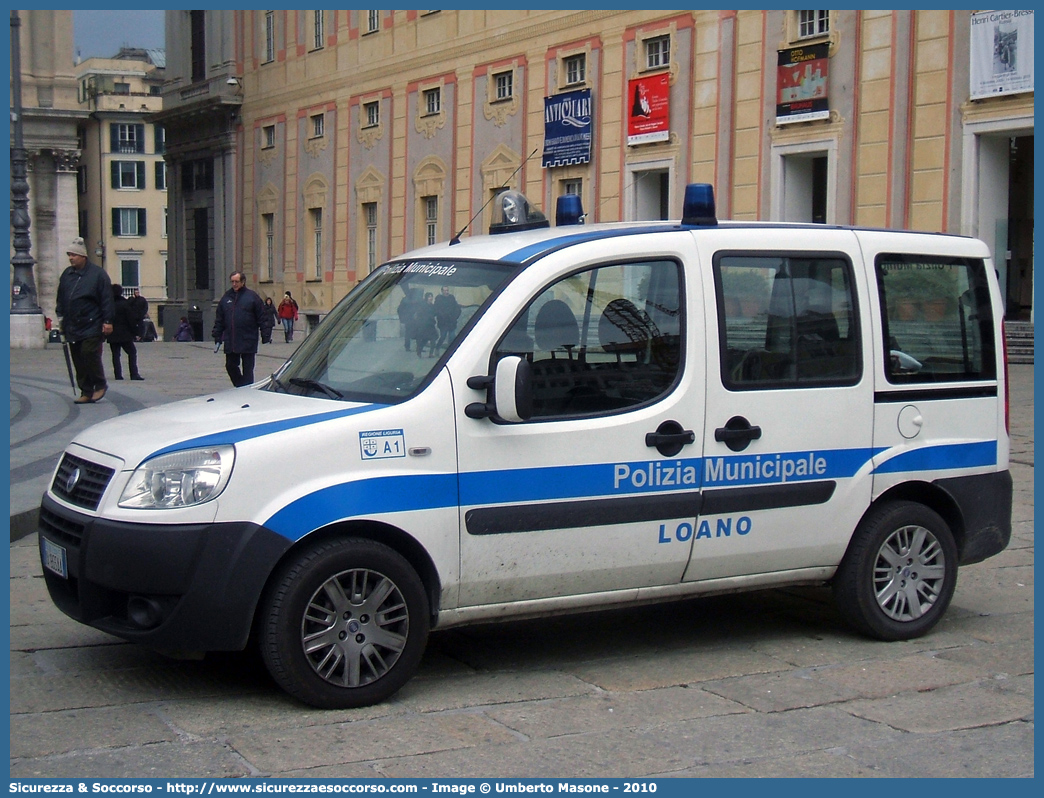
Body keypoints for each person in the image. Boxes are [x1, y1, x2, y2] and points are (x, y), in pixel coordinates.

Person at [55, 237, 114, 403]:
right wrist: (60, 315)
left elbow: (106, 299)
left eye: (74, 254)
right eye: (69, 254)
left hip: (92, 322)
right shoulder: (67, 274)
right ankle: (86, 391)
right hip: (72, 324)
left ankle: (99, 384)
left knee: (88, 352)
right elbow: (61, 296)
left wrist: (108, 320)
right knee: (78, 358)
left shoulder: (98, 275)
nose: (71, 258)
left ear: (83, 256)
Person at [212, 271, 265, 387]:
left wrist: (265, 333)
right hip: (232, 339)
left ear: (243, 282)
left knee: (248, 369)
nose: (234, 284)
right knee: (230, 365)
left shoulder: (252, 297)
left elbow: (262, 316)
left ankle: (246, 389)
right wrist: (217, 335)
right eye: (232, 282)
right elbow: (220, 318)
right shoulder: (226, 297)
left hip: (248, 339)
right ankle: (241, 386)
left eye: (237, 282)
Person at [107, 284, 143, 380]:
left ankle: (118, 375)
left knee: (115, 355)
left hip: (112, 333)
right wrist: (136, 332)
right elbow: (131, 320)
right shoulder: (125, 304)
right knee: (132, 352)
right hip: (124, 333)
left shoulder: (108, 305)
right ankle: (133, 373)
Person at [433, 285, 461, 354]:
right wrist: (442, 316)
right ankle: (437, 348)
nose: (446, 292)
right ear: (442, 291)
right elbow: (436, 309)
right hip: (443, 322)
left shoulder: (451, 298)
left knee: (452, 337)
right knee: (443, 336)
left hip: (452, 321)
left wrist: (455, 316)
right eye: (445, 290)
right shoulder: (439, 298)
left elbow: (457, 308)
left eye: (447, 290)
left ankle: (450, 351)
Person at [411, 292, 438, 358]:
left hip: (431, 325)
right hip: (424, 326)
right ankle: (419, 351)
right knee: (424, 340)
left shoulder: (432, 306)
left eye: (431, 296)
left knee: (433, 339)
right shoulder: (423, 306)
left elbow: (434, 313)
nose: (431, 298)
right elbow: (420, 315)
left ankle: (431, 353)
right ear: (426, 298)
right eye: (429, 297)